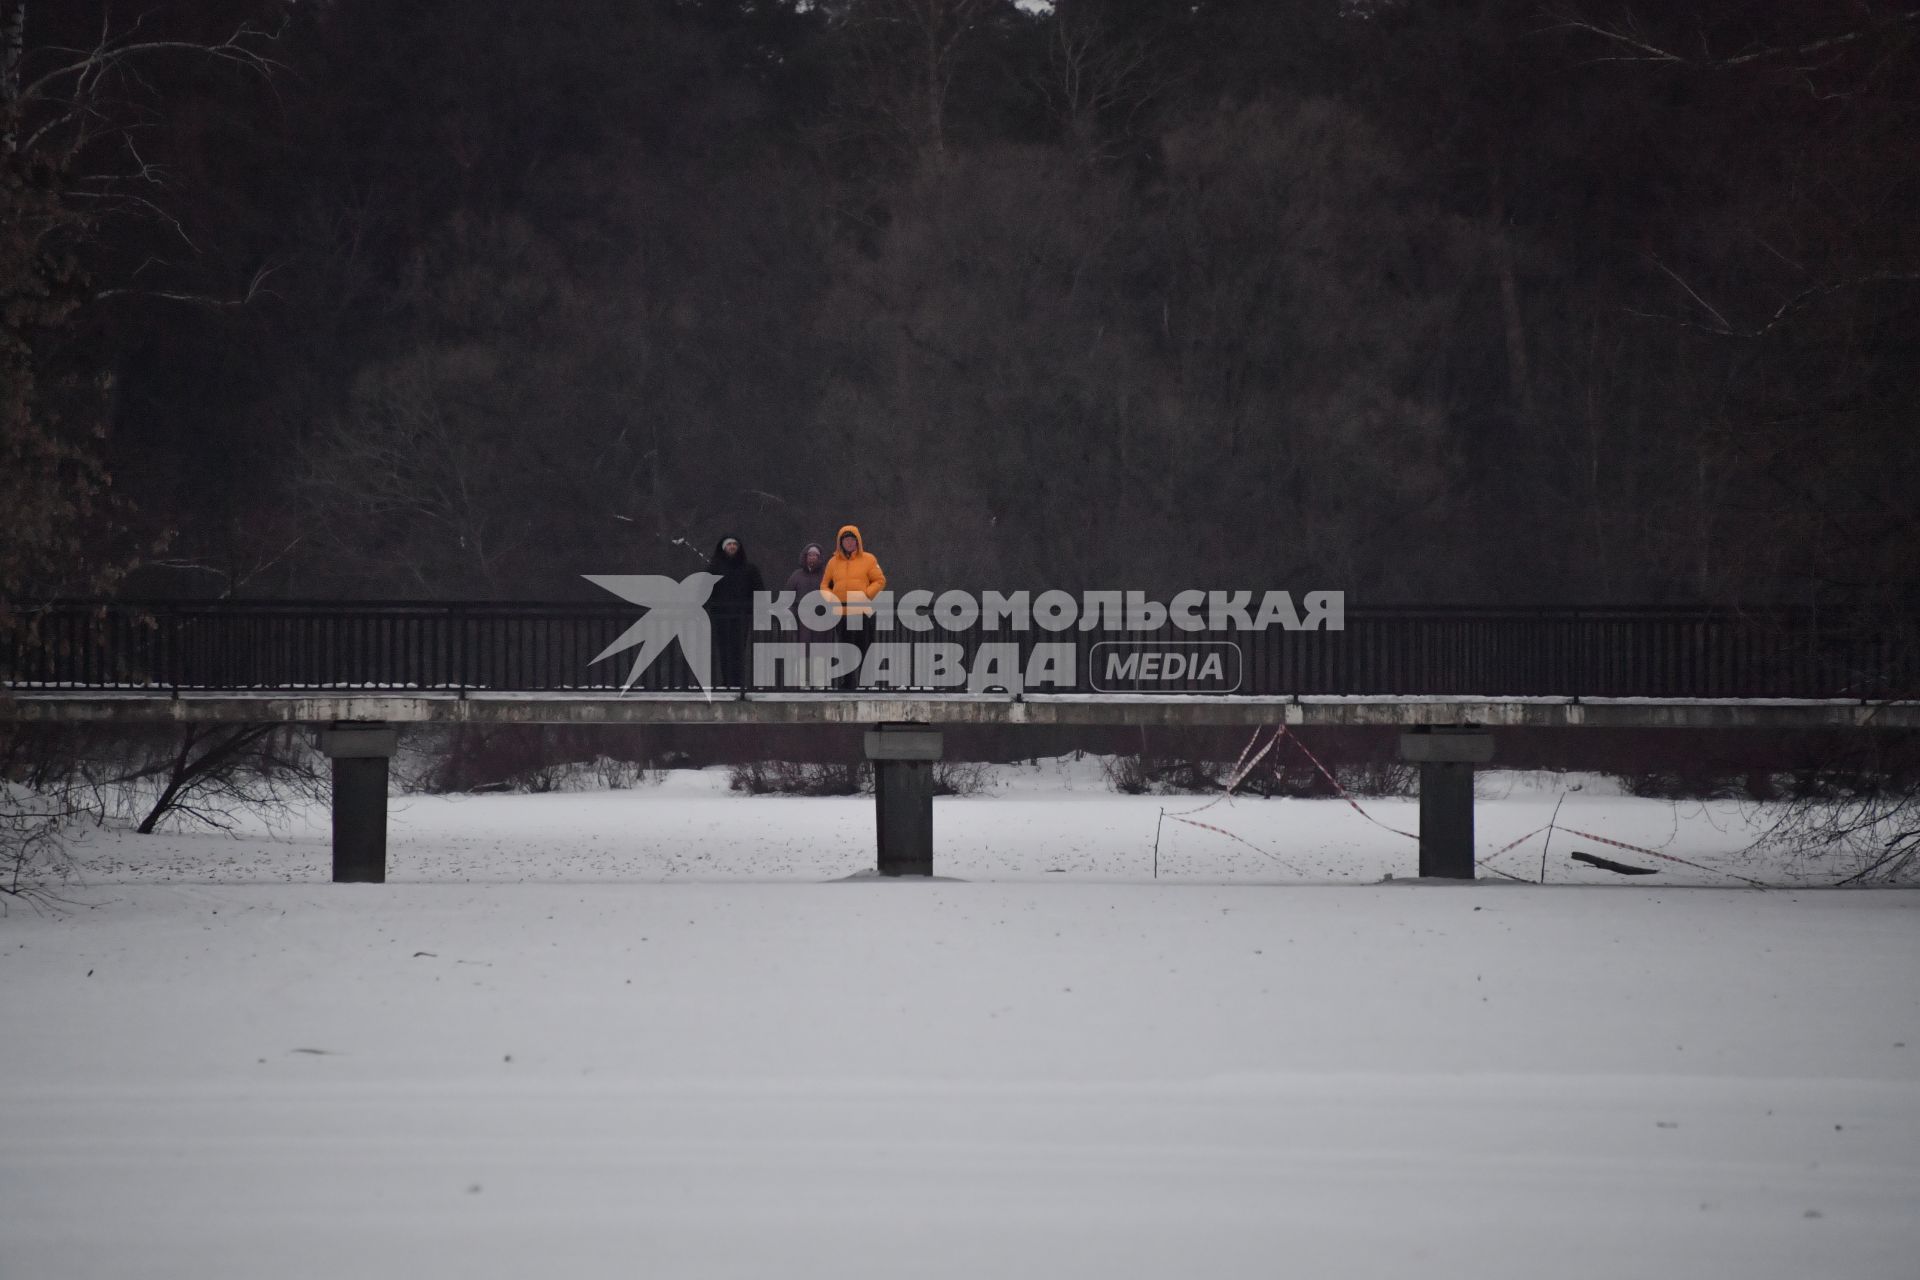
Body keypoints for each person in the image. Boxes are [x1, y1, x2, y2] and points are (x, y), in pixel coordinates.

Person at [819, 524, 886, 690]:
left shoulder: (869, 559)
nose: (849, 543)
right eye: (846, 540)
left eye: (852, 539)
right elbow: (824, 585)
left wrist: (865, 595)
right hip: (842, 612)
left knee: (865, 646)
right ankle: (848, 682)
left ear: (858, 542)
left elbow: (880, 580)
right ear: (840, 542)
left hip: (862, 611)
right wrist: (831, 599)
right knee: (846, 648)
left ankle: (867, 682)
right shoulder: (833, 562)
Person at [705, 535, 763, 689]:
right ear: (723, 548)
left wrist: (753, 608)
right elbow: (704, 592)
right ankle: (726, 681)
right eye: (729, 544)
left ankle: (738, 682)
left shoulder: (749, 569)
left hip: (741, 616)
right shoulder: (713, 569)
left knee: (738, 649)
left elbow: (759, 592)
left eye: (734, 544)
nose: (732, 547)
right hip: (721, 616)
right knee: (724, 649)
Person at [781, 542, 831, 688]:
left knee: (820, 650)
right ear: (805, 556)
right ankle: (803, 682)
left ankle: (820, 682)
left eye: (816, 555)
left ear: (820, 557)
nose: (813, 558)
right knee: (803, 650)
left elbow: (832, 595)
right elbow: (787, 596)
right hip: (802, 619)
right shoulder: (797, 575)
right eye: (810, 555)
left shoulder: (826, 575)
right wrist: (790, 612)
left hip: (822, 618)